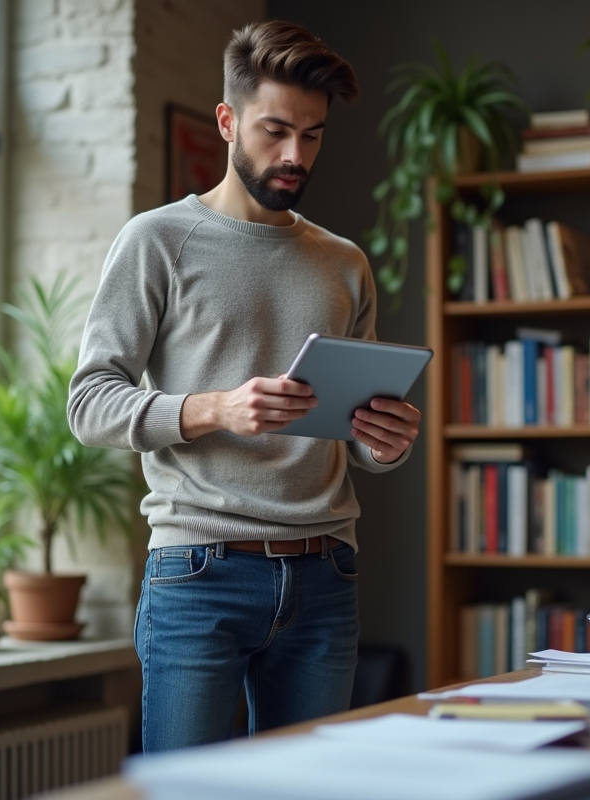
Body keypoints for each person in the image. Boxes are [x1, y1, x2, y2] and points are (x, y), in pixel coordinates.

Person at [67, 19, 421, 753]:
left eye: (314, 135)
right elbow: (89, 402)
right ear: (227, 121)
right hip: (199, 573)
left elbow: (359, 440)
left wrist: (385, 442)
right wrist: (216, 408)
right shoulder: (156, 241)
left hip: (327, 571)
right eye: (275, 130)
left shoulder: (345, 262)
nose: (296, 154)